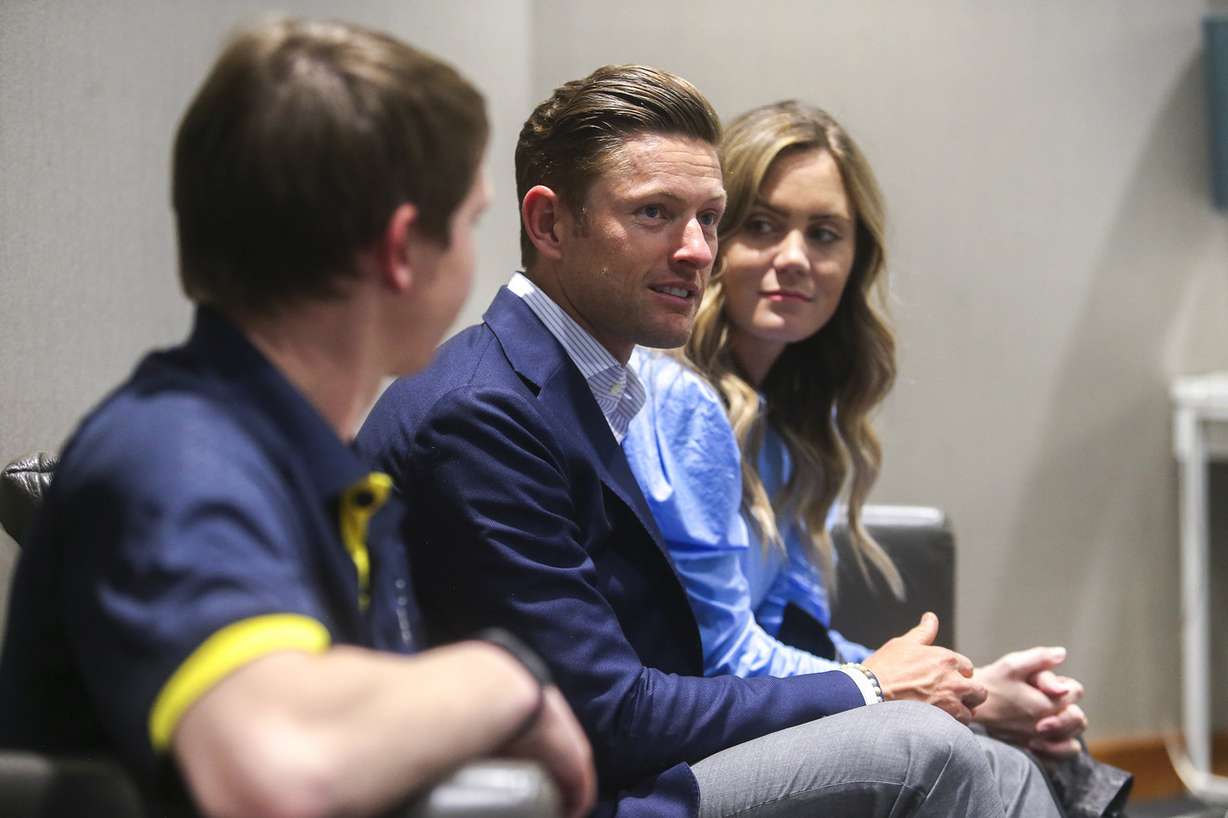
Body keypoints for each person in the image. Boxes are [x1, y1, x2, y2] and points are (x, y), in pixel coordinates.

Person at [357, 66, 1067, 818]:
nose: (698, 250)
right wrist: (875, 686)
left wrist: (926, 683)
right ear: (549, 224)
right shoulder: (487, 411)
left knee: (977, 746)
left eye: (710, 217)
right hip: (578, 792)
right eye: (657, 213)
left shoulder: (584, 384)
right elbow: (609, 714)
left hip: (626, 755)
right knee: (940, 751)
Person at [0, 18, 594, 818]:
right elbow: (276, 766)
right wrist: (506, 675)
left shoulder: (305, 461)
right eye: (469, 223)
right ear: (400, 253)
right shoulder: (173, 457)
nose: (470, 257)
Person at [623, 99, 1131, 816]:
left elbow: (787, 630)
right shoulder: (678, 398)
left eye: (824, 233)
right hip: (674, 750)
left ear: (855, 259)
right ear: (714, 238)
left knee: (1030, 746)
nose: (794, 258)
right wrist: (942, 692)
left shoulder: (794, 421)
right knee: (983, 759)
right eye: (762, 225)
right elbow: (722, 658)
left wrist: (964, 684)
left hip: (743, 720)